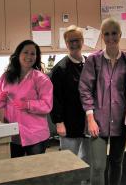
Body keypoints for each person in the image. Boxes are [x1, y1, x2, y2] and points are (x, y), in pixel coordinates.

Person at [79, 18, 126, 185]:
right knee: (99, 166)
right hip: (97, 122)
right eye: (107, 34)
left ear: (120, 35)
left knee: (116, 162)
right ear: (102, 36)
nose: (110, 38)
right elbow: (85, 89)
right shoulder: (93, 60)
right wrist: (90, 118)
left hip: (121, 121)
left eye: (114, 33)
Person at [0, 40, 53, 158]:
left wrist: (28, 105)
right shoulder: (6, 77)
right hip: (12, 133)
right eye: (25, 52)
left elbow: (47, 105)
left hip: (35, 135)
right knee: (16, 170)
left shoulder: (41, 79)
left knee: (35, 171)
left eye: (33, 54)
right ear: (18, 54)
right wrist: (0, 98)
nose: (29, 56)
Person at [49, 25, 90, 164]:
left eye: (77, 40)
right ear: (66, 43)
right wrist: (59, 122)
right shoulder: (60, 69)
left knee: (88, 160)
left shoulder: (90, 64)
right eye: (70, 41)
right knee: (68, 163)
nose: (74, 44)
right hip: (69, 124)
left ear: (82, 41)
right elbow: (55, 98)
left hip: (89, 123)